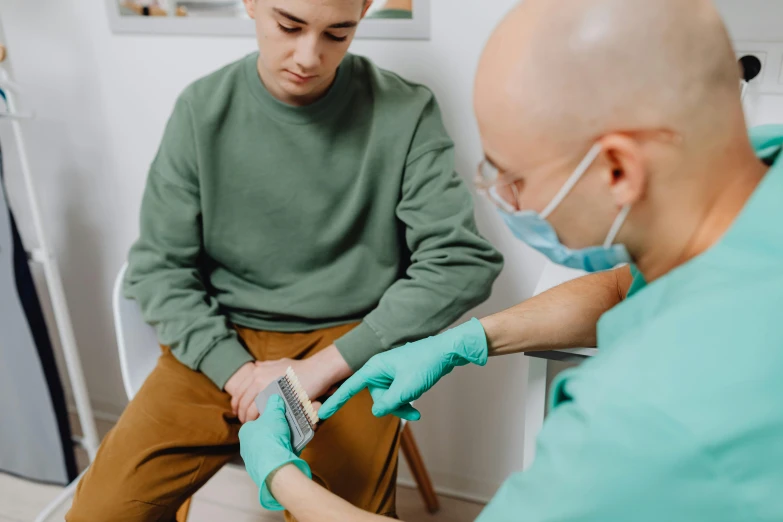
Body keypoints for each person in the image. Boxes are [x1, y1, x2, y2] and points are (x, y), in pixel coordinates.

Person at [239, 0, 783, 520]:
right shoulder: (757, 165)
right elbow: (627, 288)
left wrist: (281, 474)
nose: (507, 199)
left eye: (514, 176)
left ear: (617, 170)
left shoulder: (642, 417)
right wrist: (463, 341)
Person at [65, 0, 503, 520]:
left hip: (344, 345)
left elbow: (460, 262)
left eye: (338, 34)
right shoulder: (202, 110)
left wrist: (324, 366)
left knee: (339, 515)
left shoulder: (405, 112)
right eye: (288, 25)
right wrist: (237, 371)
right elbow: (159, 267)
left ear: (363, 12)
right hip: (218, 342)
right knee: (102, 511)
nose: (308, 56)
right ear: (250, 4)